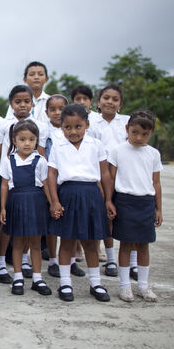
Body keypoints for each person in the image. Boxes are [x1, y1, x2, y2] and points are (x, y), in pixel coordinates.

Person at [48, 104, 113, 302]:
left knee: (91, 243)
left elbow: (104, 173)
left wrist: (108, 199)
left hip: (91, 194)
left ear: (87, 124)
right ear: (61, 127)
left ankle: (96, 284)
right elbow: (52, 175)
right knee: (67, 241)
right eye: (68, 127)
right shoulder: (58, 146)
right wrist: (54, 201)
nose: (73, 131)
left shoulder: (95, 144)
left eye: (78, 126)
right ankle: (65, 284)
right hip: (67, 193)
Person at [107, 110, 162, 302]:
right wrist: (109, 201)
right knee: (126, 245)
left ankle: (143, 286)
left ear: (151, 133)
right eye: (135, 132)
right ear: (127, 129)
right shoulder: (117, 150)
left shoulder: (153, 153)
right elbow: (111, 178)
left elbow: (156, 183)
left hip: (145, 203)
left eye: (145, 134)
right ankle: (125, 287)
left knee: (143, 245)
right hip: (125, 201)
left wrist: (158, 208)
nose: (139, 138)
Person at [0, 85, 48, 280]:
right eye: (18, 101)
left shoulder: (40, 126)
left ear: (33, 104)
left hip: (31, 181)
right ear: (11, 104)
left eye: (27, 101)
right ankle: (0, 261)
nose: (22, 105)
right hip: (8, 177)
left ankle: (24, 261)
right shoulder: (2, 125)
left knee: (29, 225)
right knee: (7, 223)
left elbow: (41, 153)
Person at [0, 120, 51, 296]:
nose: (27, 143)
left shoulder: (41, 160)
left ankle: (37, 278)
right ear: (14, 140)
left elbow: (46, 185)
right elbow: (4, 185)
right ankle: (18, 278)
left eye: (31, 139)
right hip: (16, 203)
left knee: (35, 243)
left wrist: (52, 204)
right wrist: (3, 207)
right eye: (22, 139)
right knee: (18, 243)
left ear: (37, 140)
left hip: (36, 203)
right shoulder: (9, 161)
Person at [90, 83, 130, 277]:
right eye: (106, 98)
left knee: (124, 218)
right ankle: (109, 259)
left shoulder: (127, 123)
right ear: (99, 101)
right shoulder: (91, 122)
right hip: (100, 174)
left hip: (123, 176)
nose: (110, 102)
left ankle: (131, 261)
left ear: (120, 104)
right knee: (105, 217)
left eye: (115, 99)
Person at [44, 94, 85, 278]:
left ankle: (72, 261)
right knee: (54, 223)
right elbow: (42, 157)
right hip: (52, 182)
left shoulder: (76, 131)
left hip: (71, 183)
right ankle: (53, 260)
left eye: (61, 109)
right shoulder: (45, 132)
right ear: (47, 112)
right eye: (52, 109)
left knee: (72, 224)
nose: (57, 113)